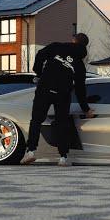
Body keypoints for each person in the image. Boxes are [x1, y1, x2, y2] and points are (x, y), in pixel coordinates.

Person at [21, 33, 95, 167]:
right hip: (62, 93)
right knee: (62, 123)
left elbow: (40, 54)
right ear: (84, 46)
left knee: (36, 120)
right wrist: (86, 109)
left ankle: (31, 151)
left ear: (73, 40)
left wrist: (39, 73)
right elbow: (80, 89)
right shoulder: (79, 65)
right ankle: (63, 157)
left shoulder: (56, 47)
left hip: (45, 89)